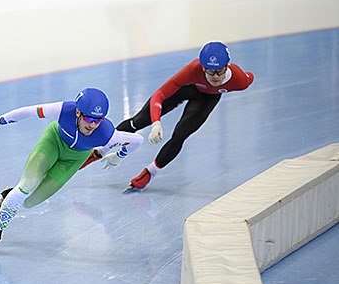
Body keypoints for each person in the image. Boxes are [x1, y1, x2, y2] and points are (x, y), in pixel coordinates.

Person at [0, 88, 143, 254]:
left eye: (98, 120)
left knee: (29, 202)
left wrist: (119, 156)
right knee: (27, 185)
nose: (93, 125)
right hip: (54, 141)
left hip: (74, 159)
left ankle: (7, 195)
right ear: (77, 113)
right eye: (89, 119)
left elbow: (137, 140)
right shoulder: (63, 110)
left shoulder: (107, 134)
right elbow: (29, 111)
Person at [80, 41, 254, 191]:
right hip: (185, 89)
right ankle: (100, 150)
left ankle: (150, 172)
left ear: (227, 66)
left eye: (219, 71)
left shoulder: (240, 80)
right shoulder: (192, 70)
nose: (215, 77)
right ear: (202, 67)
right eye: (209, 71)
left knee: (181, 134)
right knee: (138, 122)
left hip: (206, 99)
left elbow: (250, 77)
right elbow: (160, 94)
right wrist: (156, 122)